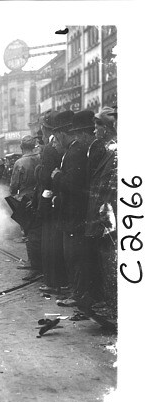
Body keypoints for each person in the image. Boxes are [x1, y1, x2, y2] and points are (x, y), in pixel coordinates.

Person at [50, 110, 91, 308]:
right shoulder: (73, 151)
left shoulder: (74, 152)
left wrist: (57, 176)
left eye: (56, 135)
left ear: (62, 134)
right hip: (71, 213)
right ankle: (77, 291)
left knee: (75, 256)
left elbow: (74, 185)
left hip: (74, 214)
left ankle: (79, 294)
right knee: (73, 256)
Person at [83, 107, 118, 314]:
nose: (95, 130)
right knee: (104, 259)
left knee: (110, 259)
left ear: (106, 128)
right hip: (103, 213)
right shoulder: (106, 149)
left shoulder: (114, 150)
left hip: (110, 216)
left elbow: (112, 186)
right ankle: (109, 302)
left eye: (98, 126)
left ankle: (113, 306)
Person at [35, 111, 67, 295]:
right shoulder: (57, 145)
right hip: (59, 197)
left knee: (50, 242)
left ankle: (53, 281)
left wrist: (43, 205)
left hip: (50, 200)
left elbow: (46, 178)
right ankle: (59, 280)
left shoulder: (48, 148)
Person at [10, 135, 42, 279]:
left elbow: (14, 185)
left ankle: (34, 265)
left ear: (22, 147)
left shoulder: (20, 162)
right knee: (39, 232)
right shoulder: (40, 158)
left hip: (26, 199)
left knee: (29, 233)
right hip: (40, 197)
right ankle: (39, 264)